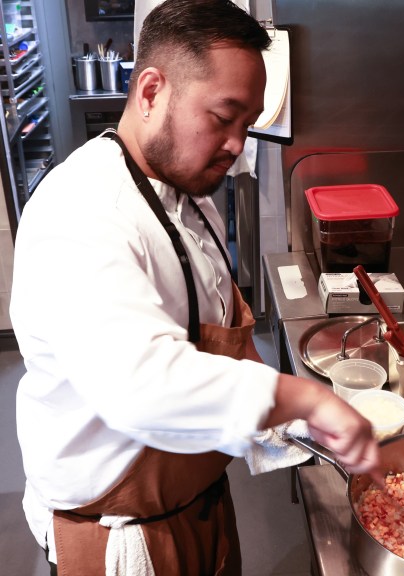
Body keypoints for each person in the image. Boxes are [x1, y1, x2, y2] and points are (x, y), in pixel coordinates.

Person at [11, 1, 380, 574]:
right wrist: (308, 397)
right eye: (223, 117)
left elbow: (210, 343)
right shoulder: (82, 212)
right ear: (152, 91)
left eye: (248, 123)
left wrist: (299, 429)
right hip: (125, 540)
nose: (237, 144)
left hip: (197, 502)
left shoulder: (186, 197)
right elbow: (141, 385)